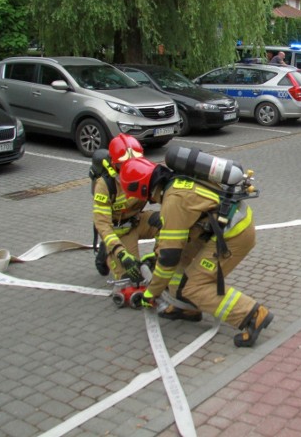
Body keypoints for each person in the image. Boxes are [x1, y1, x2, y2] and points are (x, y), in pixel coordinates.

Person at [119, 156, 274, 347]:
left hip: (234, 236)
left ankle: (252, 314)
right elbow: (174, 244)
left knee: (195, 285)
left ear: (142, 189)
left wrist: (151, 293)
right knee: (181, 265)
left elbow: (169, 257)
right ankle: (186, 307)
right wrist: (156, 255)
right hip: (224, 227)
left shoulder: (173, 201)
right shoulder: (178, 182)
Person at [92, 134, 160, 282]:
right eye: (125, 164)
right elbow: (102, 223)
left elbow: (165, 198)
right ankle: (107, 250)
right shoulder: (104, 185)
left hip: (137, 221)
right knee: (131, 278)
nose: (131, 167)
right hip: (118, 233)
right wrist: (120, 252)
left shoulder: (144, 173)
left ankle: (155, 259)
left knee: (166, 221)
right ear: (114, 164)